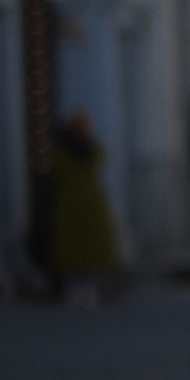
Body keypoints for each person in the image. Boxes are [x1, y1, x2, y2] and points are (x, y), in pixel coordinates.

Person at [48, 109, 122, 303]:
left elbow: (57, 174)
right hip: (89, 204)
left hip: (70, 206)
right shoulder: (91, 149)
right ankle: (87, 291)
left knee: (74, 250)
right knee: (87, 250)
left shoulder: (63, 151)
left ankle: (76, 291)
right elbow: (103, 156)